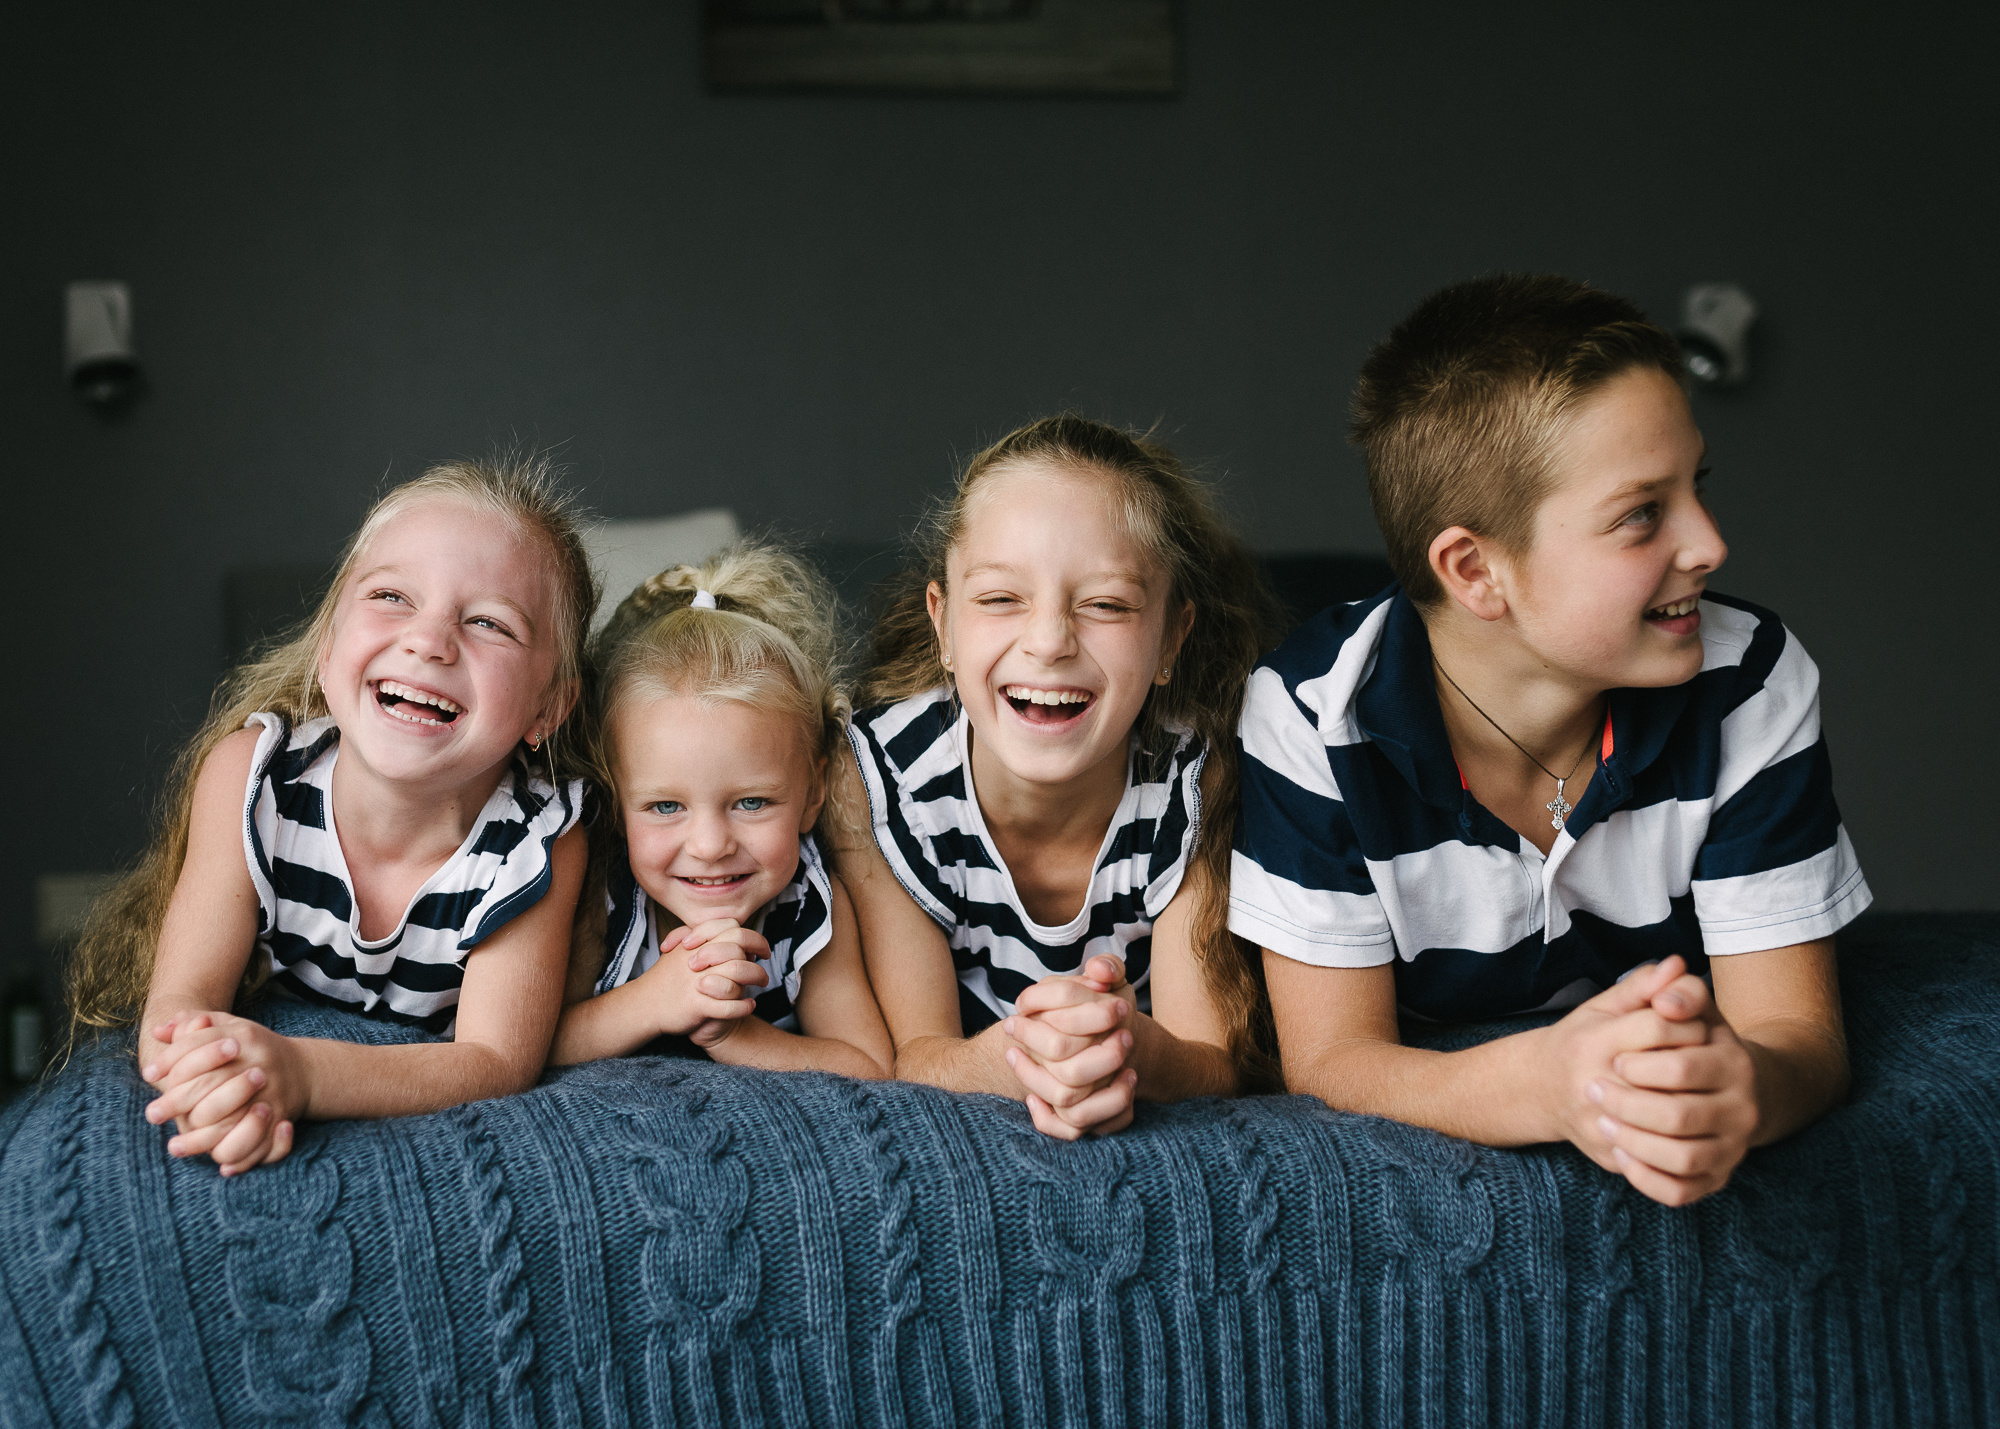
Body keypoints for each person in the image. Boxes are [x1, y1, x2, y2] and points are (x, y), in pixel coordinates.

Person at [1233, 274, 1868, 1205]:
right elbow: (1334, 1060)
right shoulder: (1309, 715)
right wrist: (1545, 1083)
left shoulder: (1750, 680)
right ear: (1475, 570)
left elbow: (1797, 1035)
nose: (1709, 542)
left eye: (1698, 486)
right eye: (1642, 514)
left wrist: (1739, 1090)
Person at [66, 457, 596, 1175]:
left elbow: (493, 1060)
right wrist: (213, 1086)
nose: (430, 640)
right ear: (326, 646)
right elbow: (182, 998)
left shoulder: (539, 844)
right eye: (391, 596)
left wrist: (300, 1073)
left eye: (488, 623)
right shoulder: (254, 778)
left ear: (547, 709)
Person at [836, 414, 1273, 1139]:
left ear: (1172, 638)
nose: (1047, 642)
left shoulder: (1195, 780)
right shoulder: (880, 779)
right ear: (943, 626)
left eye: (1105, 604)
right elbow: (917, 1054)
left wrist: (1128, 1044)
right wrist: (1035, 1053)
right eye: (1001, 598)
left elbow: (1214, 1063)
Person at [550, 544, 892, 1078]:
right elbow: (531, 1042)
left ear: (814, 791)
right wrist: (653, 1001)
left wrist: (737, 1036)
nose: (710, 846)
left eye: (751, 802)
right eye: (666, 806)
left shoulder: (808, 905)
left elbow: (868, 1065)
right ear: (615, 802)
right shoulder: (600, 892)